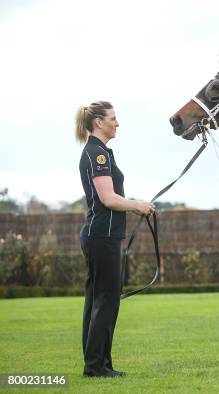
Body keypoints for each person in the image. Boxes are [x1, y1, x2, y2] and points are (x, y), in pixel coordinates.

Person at [76, 101, 155, 378]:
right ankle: (96, 367)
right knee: (106, 301)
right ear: (99, 122)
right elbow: (108, 199)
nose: (117, 123)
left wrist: (135, 205)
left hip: (101, 236)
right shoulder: (97, 155)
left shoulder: (99, 152)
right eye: (113, 118)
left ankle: (98, 364)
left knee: (98, 301)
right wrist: (138, 205)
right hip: (102, 236)